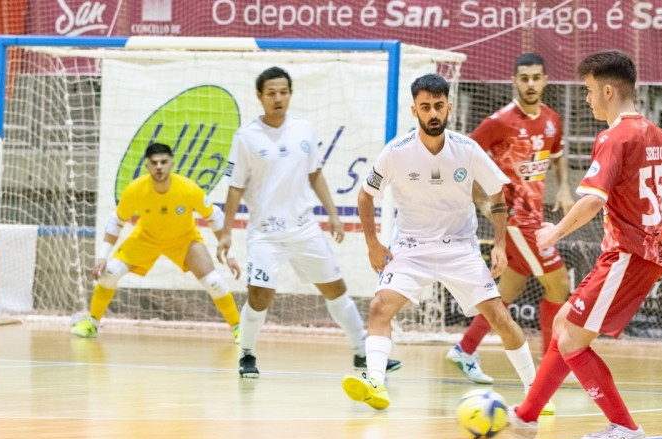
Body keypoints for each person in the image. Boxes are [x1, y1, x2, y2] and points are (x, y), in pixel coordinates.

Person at [505, 50, 662, 439]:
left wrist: (554, 232)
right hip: (640, 256)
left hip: (628, 255)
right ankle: (526, 416)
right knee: (564, 323)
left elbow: (593, 201)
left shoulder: (614, 137)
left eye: (589, 90)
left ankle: (625, 430)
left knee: (572, 341)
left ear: (608, 89)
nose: (586, 99)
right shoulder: (655, 135)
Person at [341, 73, 537, 410]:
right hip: (411, 247)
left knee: (499, 317)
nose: (433, 114)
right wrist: (373, 243)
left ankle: (535, 390)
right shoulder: (396, 152)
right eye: (426, 107)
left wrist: (501, 245)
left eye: (439, 106)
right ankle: (375, 382)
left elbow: (497, 194)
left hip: (459, 246)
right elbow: (365, 196)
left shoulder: (467, 149)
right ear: (414, 110)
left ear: (449, 107)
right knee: (379, 308)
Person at [217, 66, 401, 379]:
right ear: (259, 96)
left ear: (290, 94)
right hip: (266, 235)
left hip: (304, 229)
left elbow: (314, 173)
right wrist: (225, 233)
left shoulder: (303, 128)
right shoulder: (246, 137)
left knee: (336, 289)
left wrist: (331, 213)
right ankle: (247, 354)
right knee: (259, 295)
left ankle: (362, 353)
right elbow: (234, 188)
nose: (278, 98)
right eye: (272, 93)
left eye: (284, 92)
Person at [446, 53, 575, 394]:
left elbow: (559, 155)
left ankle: (464, 350)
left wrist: (563, 187)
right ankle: (553, 364)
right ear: (514, 81)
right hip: (517, 219)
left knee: (508, 291)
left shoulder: (551, 120)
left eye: (536, 77)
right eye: (524, 78)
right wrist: (482, 202)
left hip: (537, 216)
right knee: (558, 284)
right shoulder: (499, 121)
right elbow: (463, 158)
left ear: (545, 79)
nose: (530, 83)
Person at [70, 143, 242, 339]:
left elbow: (215, 217)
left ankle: (238, 328)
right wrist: (102, 256)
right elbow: (116, 222)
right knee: (109, 272)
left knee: (215, 283)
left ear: (172, 164)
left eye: (163, 162)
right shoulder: (135, 189)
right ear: (147, 166)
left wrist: (230, 255)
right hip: (146, 239)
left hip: (184, 240)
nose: (159, 166)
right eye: (154, 163)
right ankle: (92, 324)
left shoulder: (188, 188)